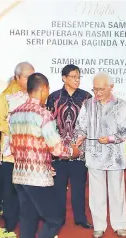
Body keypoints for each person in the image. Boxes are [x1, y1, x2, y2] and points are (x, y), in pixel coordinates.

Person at [9, 73, 79, 238]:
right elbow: (56, 148)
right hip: (37, 177)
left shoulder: (15, 113)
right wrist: (73, 152)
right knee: (55, 219)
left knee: (27, 221)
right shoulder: (43, 114)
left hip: (19, 175)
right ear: (43, 89)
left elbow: (12, 145)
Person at [75, 72, 126, 238]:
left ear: (111, 87)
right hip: (94, 153)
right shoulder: (88, 105)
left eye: (101, 89)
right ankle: (99, 225)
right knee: (96, 192)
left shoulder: (121, 105)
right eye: (95, 89)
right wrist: (80, 136)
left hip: (115, 155)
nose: (97, 93)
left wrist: (110, 139)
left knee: (116, 191)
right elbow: (81, 126)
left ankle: (119, 224)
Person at [46, 64, 93, 229]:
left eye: (79, 77)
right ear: (64, 78)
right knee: (58, 187)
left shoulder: (87, 97)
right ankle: (58, 219)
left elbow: (91, 122)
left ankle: (80, 218)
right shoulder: (54, 97)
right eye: (73, 76)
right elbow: (48, 123)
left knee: (79, 186)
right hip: (59, 151)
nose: (77, 80)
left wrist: (80, 140)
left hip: (79, 150)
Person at [0, 62, 34, 230]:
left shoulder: (34, 94)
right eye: (27, 77)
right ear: (17, 77)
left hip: (30, 152)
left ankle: (26, 222)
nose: (31, 80)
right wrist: (18, 130)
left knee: (27, 190)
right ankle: (10, 224)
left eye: (33, 76)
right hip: (11, 153)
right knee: (10, 192)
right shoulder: (6, 96)